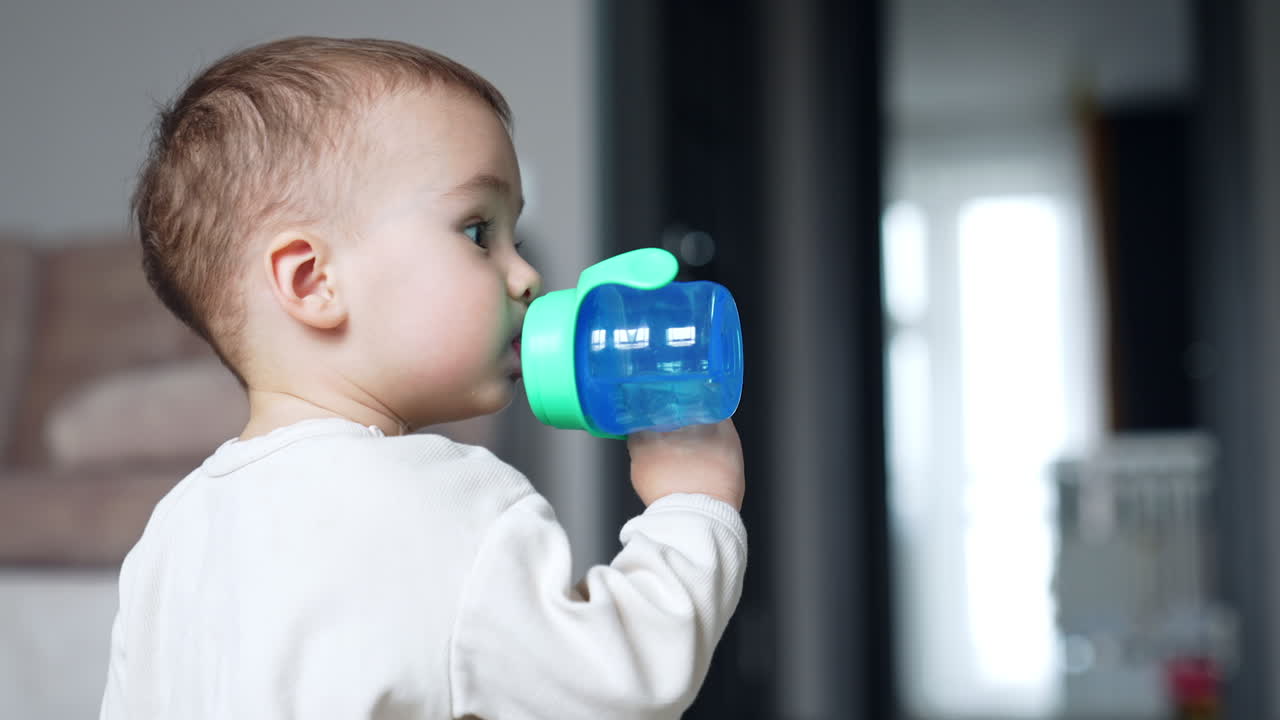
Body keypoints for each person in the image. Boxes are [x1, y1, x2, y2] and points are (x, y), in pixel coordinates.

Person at [99, 36, 747, 720]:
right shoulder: (443, 502)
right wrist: (691, 504)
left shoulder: (171, 536)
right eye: (477, 233)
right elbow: (622, 678)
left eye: (515, 239)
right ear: (313, 281)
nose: (527, 277)